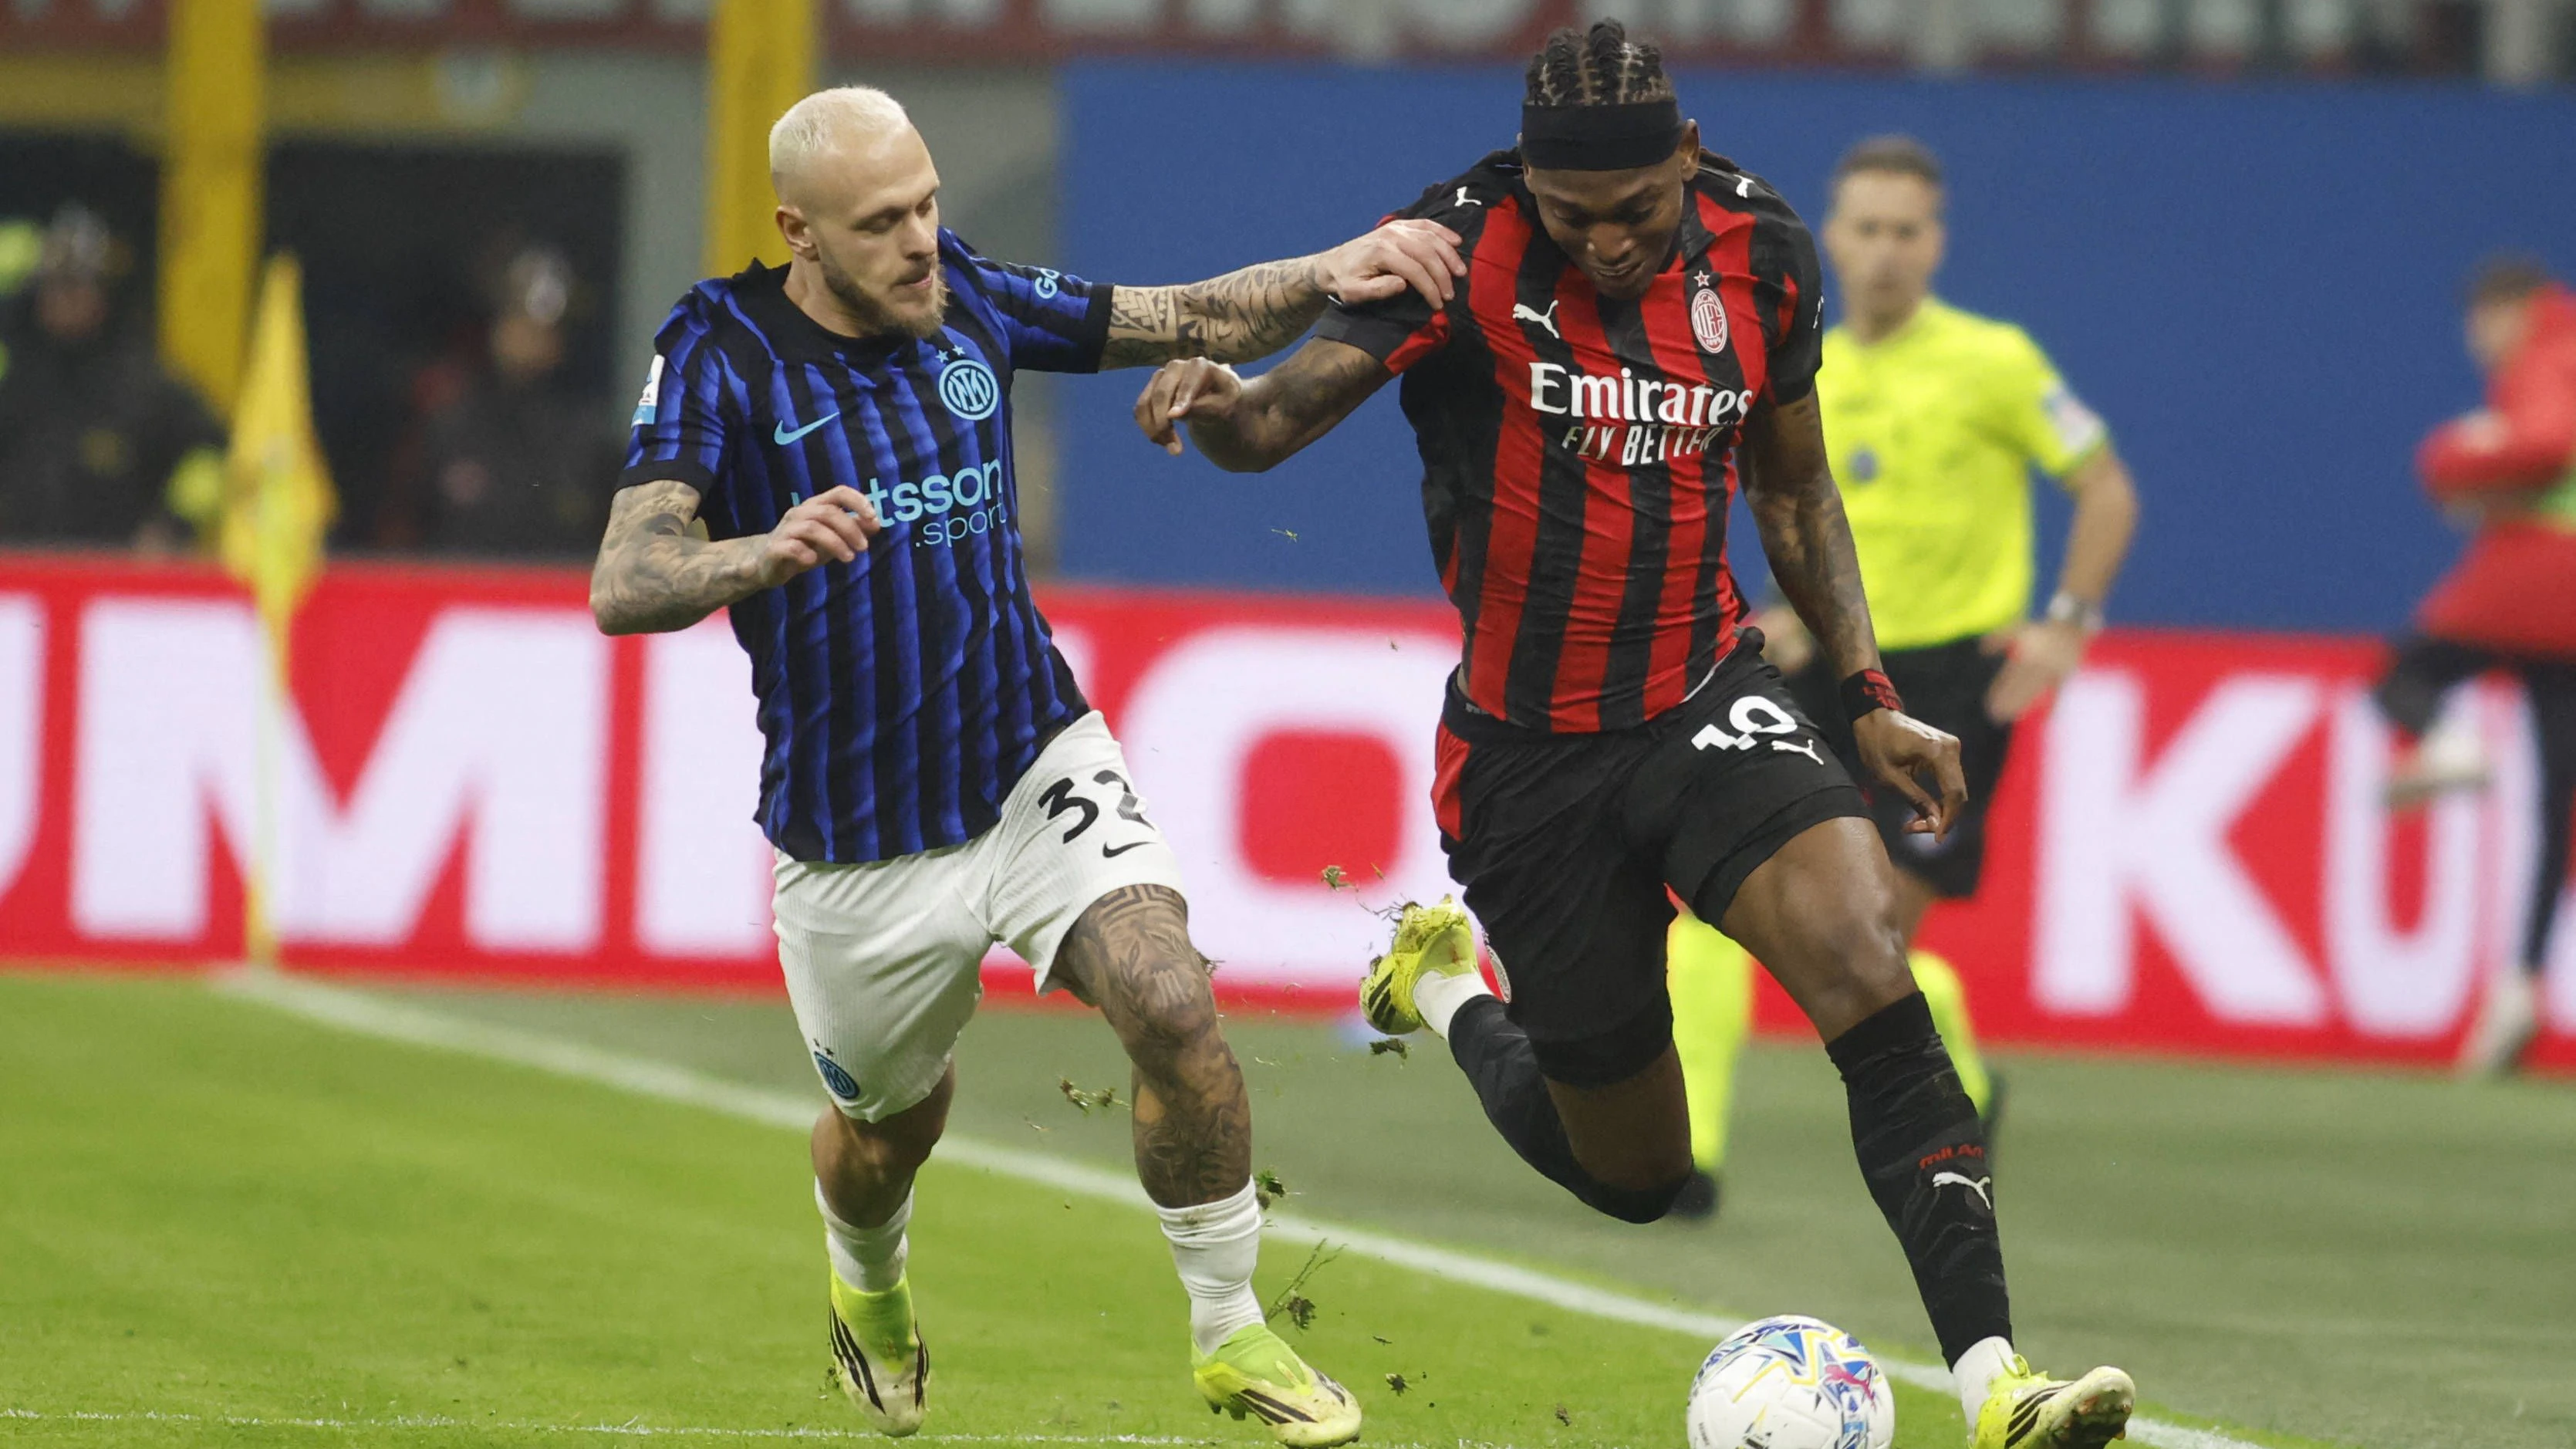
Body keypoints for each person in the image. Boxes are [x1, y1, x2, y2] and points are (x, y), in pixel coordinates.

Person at [1129, 24, 2134, 1448]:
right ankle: (1442, 991)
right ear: (1524, 182)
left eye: (1634, 214)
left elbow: (1790, 494)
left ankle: (1996, 1382)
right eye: (1569, 215)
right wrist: (1217, 409)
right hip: (1527, 756)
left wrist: (1861, 695)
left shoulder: (1761, 253)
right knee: (1636, 1170)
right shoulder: (1453, 246)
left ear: (1684, 157)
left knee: (1862, 958)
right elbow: (1276, 419)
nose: (1603, 244)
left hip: (1700, 696)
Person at [592, 86, 1463, 1446]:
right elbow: (625, 574)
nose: (921, 241)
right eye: (881, 223)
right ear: (797, 232)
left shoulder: (973, 302)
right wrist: (751, 552)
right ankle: (866, 1284)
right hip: (858, 845)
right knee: (887, 1133)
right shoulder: (719, 348)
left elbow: (1185, 316)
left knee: (1169, 998)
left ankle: (1231, 1332)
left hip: (1027, 763)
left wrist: (1326, 270)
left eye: (929, 204)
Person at [1663, 134, 2140, 1213]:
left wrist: (2063, 626)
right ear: (1830, 235)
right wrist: (1782, 616)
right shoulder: (1789, 355)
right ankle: (1684, 1158)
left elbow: (2104, 487)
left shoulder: (1994, 362)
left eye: (1904, 231)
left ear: (1935, 242)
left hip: (1947, 689)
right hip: (1827, 666)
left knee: (1866, 937)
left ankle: (1960, 1088)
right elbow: (1793, 507)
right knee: (1716, 909)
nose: (1882, 252)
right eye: (1865, 228)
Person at [2372, 255, 2576, 1077]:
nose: (2479, 341)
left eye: (2484, 321)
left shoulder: (2548, 354)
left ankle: (2448, 746)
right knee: (2557, 795)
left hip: (2543, 579)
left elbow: (2546, 443)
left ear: (2514, 310)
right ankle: (2521, 985)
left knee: (2405, 677)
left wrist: (2456, 456)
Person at [0, 204, 222, 549]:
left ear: (103, 295)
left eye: (77, 286)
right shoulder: (11, 376)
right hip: (17, 575)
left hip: (107, 578)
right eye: (53, 287)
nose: (64, 300)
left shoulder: (142, 384)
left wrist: (172, 527)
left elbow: (212, 452)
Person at [393, 246, 621, 557]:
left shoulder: (592, 442)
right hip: (463, 601)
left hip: (557, 603)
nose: (526, 337)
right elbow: (404, 538)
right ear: (495, 327)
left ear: (561, 341)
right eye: (517, 319)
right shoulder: (451, 431)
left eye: (543, 329)